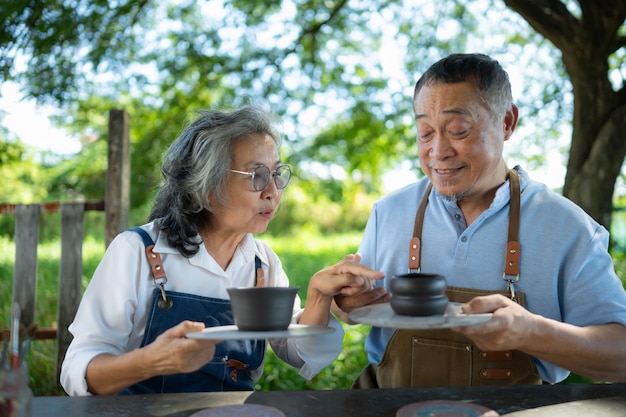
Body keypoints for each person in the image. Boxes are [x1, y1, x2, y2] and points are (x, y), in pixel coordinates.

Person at [333, 53, 626, 388]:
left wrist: (533, 333)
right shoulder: (388, 213)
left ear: (507, 122)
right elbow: (353, 309)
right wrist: (347, 303)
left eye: (458, 130)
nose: (438, 151)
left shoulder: (570, 229)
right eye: (425, 132)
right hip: (388, 409)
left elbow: (620, 356)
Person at [60, 105, 384, 396]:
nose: (272, 192)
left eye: (276, 174)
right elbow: (78, 370)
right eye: (256, 176)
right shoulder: (139, 252)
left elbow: (298, 352)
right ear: (207, 185)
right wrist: (151, 361)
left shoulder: (262, 263)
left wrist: (319, 297)